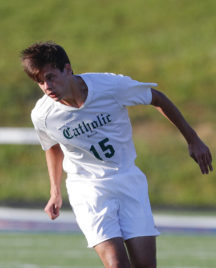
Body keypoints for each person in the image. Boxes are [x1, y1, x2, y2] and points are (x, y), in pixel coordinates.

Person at [20, 41, 213, 268]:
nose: (46, 86)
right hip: (88, 188)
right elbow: (52, 145)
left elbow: (157, 98)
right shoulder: (43, 115)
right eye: (40, 81)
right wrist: (55, 191)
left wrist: (193, 139)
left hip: (128, 179)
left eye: (50, 77)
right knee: (116, 265)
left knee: (146, 265)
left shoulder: (110, 86)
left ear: (68, 69)